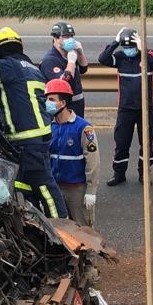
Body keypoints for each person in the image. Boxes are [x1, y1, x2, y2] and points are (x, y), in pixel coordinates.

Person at [0, 27, 67, 218]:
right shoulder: (32, 68)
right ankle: (37, 225)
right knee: (24, 186)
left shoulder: (10, 66)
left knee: (45, 188)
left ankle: (64, 230)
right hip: (32, 140)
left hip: (27, 140)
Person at [98, 27, 153, 186]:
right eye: (125, 47)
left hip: (145, 108)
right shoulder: (120, 57)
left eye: (131, 47)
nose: (128, 50)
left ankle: (144, 173)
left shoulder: (148, 57)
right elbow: (103, 58)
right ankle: (119, 173)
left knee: (146, 142)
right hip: (125, 108)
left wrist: (143, 49)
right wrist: (115, 41)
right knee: (121, 142)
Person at [46, 78, 99, 226]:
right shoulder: (49, 126)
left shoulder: (83, 128)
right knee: (61, 230)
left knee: (83, 230)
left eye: (51, 99)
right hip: (56, 187)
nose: (47, 103)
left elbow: (93, 161)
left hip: (77, 190)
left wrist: (91, 190)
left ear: (62, 103)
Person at [40, 21, 88, 117]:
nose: (70, 40)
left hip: (77, 106)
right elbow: (63, 82)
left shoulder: (69, 53)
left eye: (71, 36)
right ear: (56, 38)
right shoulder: (50, 60)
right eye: (66, 37)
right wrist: (71, 62)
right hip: (63, 108)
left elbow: (84, 68)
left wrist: (80, 53)